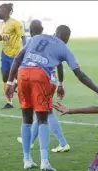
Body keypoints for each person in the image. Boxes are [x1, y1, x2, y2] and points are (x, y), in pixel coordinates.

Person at [5, 25, 98, 171]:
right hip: (40, 76)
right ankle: (44, 161)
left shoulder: (37, 38)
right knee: (42, 119)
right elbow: (80, 75)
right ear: (67, 38)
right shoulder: (64, 48)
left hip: (22, 74)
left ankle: (26, 159)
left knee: (26, 118)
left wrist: (9, 83)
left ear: (54, 32)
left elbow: (18, 58)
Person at [16, 20, 70, 153]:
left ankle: (63, 143)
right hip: (48, 79)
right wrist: (60, 84)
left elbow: (59, 65)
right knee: (41, 112)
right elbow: (60, 64)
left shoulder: (45, 42)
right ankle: (30, 142)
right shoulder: (55, 43)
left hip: (43, 80)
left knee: (46, 111)